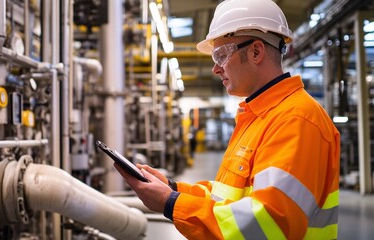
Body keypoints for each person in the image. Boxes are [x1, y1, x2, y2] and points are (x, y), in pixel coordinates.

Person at [114, 0, 340, 239]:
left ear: (255, 51)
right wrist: (172, 189)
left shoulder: (296, 119)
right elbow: (227, 196)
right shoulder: (257, 116)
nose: (215, 68)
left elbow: (270, 223)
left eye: (221, 55)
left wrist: (170, 203)